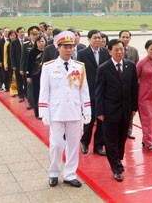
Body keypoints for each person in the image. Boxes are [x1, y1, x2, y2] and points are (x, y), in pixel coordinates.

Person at [38, 31, 91, 188]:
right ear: (58, 48)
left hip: (74, 111)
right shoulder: (49, 67)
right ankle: (54, 172)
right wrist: (44, 112)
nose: (69, 50)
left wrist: (87, 111)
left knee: (74, 145)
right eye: (65, 47)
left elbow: (84, 90)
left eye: (71, 47)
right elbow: (44, 91)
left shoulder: (79, 67)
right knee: (56, 144)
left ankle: (70, 174)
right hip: (56, 112)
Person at [95, 39, 138, 182]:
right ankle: (116, 167)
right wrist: (99, 111)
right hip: (109, 111)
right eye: (116, 50)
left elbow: (134, 88)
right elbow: (99, 92)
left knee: (121, 138)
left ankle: (118, 159)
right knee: (111, 140)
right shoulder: (104, 68)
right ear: (109, 52)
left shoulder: (130, 66)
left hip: (126, 110)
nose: (120, 52)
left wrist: (134, 108)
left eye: (121, 49)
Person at [78, 29, 110, 156]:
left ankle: (98, 146)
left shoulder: (105, 52)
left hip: (103, 92)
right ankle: (85, 142)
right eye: (95, 38)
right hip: (89, 91)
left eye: (99, 37)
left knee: (102, 120)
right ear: (89, 39)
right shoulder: (82, 53)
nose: (98, 40)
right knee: (89, 121)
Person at [136, 39, 152, 150]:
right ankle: (149, 141)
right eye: (151, 49)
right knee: (147, 119)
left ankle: (149, 139)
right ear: (147, 49)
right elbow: (134, 78)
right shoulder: (141, 63)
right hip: (144, 96)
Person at [119, 30, 139, 139]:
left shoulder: (134, 51)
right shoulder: (115, 49)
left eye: (127, 37)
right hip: (118, 81)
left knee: (130, 109)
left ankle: (128, 131)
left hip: (130, 82)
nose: (125, 39)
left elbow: (137, 65)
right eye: (123, 37)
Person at [26, 35, 47, 119]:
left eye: (42, 41)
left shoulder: (47, 51)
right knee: (36, 93)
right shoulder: (32, 52)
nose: (41, 43)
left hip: (46, 75)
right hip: (36, 75)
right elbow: (28, 65)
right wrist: (28, 76)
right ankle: (38, 112)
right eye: (39, 42)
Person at [20, 25, 40, 110]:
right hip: (30, 69)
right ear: (29, 36)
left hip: (39, 69)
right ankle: (30, 102)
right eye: (33, 34)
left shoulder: (42, 43)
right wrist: (21, 68)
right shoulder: (26, 45)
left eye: (36, 34)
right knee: (29, 86)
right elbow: (23, 58)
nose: (35, 36)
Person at [10, 27, 27, 102]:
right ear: (17, 33)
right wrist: (13, 65)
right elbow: (12, 55)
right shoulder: (14, 42)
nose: (22, 33)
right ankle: (21, 96)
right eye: (20, 32)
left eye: (23, 32)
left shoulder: (27, 41)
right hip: (17, 64)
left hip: (26, 65)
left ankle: (27, 95)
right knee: (19, 81)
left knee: (26, 80)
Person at [3, 29, 18, 97]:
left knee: (17, 77)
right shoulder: (7, 43)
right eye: (11, 35)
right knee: (11, 77)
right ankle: (13, 91)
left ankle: (18, 90)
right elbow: (5, 54)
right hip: (10, 62)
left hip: (17, 62)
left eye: (13, 35)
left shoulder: (17, 43)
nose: (12, 37)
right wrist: (5, 64)